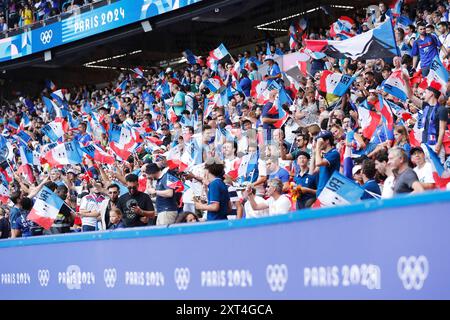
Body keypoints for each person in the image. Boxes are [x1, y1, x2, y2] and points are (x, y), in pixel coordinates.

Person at [404, 74, 449, 163]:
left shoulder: (442, 109)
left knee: (438, 174)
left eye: (426, 92)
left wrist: (438, 145)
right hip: (425, 145)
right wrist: (406, 81)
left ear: (431, 94)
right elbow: (410, 96)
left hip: (435, 144)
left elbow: (442, 129)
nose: (424, 94)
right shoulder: (425, 106)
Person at [314, 130, 341, 196]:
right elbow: (312, 172)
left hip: (328, 192)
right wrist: (314, 151)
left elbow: (318, 163)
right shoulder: (324, 155)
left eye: (319, 141)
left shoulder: (334, 153)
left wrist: (318, 148)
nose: (318, 143)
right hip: (320, 191)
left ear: (327, 141)